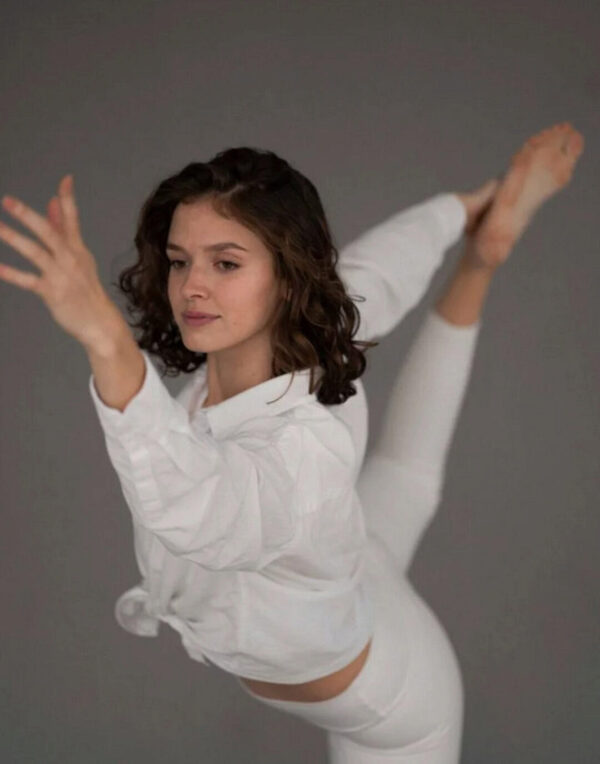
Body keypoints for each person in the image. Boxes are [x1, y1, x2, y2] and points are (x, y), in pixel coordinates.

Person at [0, 123, 584, 763]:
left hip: (396, 700)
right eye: (180, 260)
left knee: (408, 475)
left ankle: (481, 259)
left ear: (287, 277)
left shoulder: (304, 448)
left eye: (226, 263)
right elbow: (377, 270)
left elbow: (201, 506)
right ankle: (484, 253)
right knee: (405, 476)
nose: (192, 285)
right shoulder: (296, 349)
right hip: (344, 574)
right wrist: (456, 212)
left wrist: (107, 341)